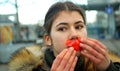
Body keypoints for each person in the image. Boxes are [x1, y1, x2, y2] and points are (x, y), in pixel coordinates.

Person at [9, 1, 120, 71]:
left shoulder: (101, 65)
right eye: (62, 28)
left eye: (79, 27)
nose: (74, 35)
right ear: (48, 39)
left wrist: (109, 68)